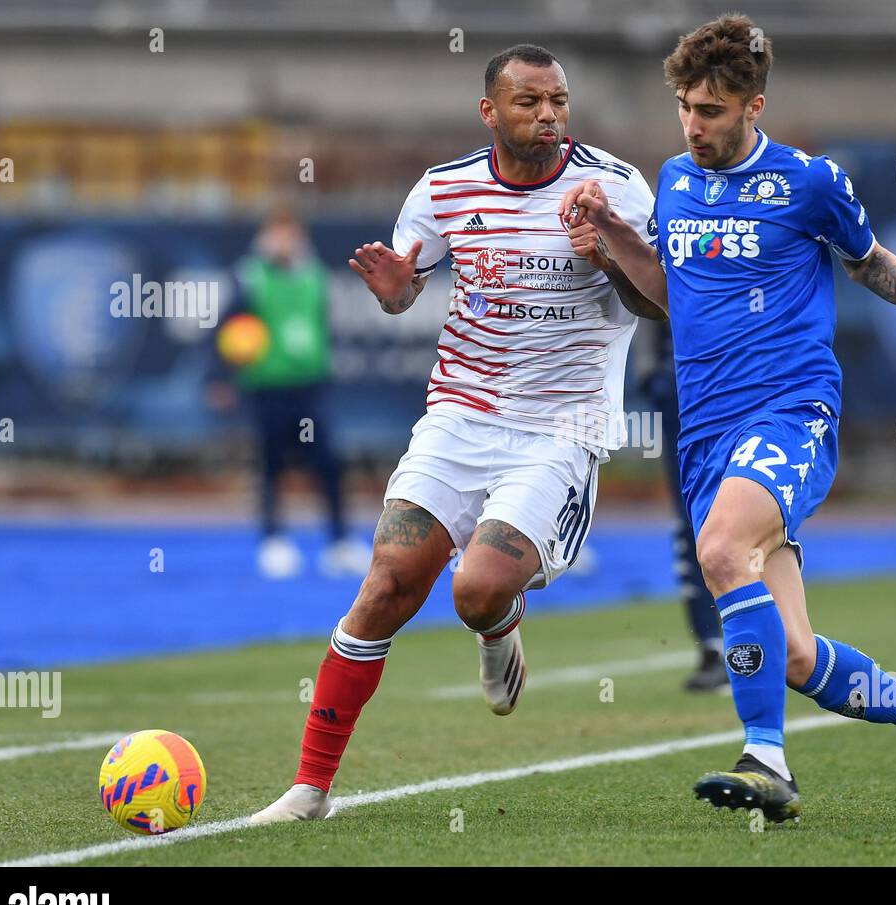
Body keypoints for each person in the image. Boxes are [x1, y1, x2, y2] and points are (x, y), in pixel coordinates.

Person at [561, 14, 896, 822]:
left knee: (723, 549)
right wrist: (614, 239)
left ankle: (767, 759)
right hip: (705, 432)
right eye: (687, 107)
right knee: (795, 654)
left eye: (713, 110)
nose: (695, 124)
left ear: (753, 106)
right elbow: (667, 299)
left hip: (790, 411)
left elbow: (867, 260)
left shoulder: (809, 182)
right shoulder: (677, 181)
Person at [252, 45, 663, 823]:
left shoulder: (614, 187)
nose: (548, 116)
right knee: (386, 583)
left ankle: (496, 625)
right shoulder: (444, 189)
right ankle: (310, 789)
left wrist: (610, 252)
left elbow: (662, 303)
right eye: (530, 102)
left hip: (560, 428)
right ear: (490, 112)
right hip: (460, 415)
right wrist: (395, 291)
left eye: (559, 101)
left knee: (475, 589)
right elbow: (406, 291)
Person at [229, 209, 368, 579]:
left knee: (327, 465)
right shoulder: (250, 278)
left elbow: (324, 325)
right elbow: (231, 329)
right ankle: (273, 541)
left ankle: (339, 542)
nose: (284, 242)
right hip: (268, 386)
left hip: (310, 386)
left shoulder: (316, 276)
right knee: (271, 465)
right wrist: (227, 374)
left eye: (290, 234)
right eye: (277, 234)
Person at [635, 319, 727, 690]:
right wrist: (651, 374)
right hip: (681, 389)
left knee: (752, 519)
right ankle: (712, 647)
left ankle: (766, 640)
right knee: (691, 521)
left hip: (743, 386)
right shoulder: (669, 257)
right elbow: (641, 291)